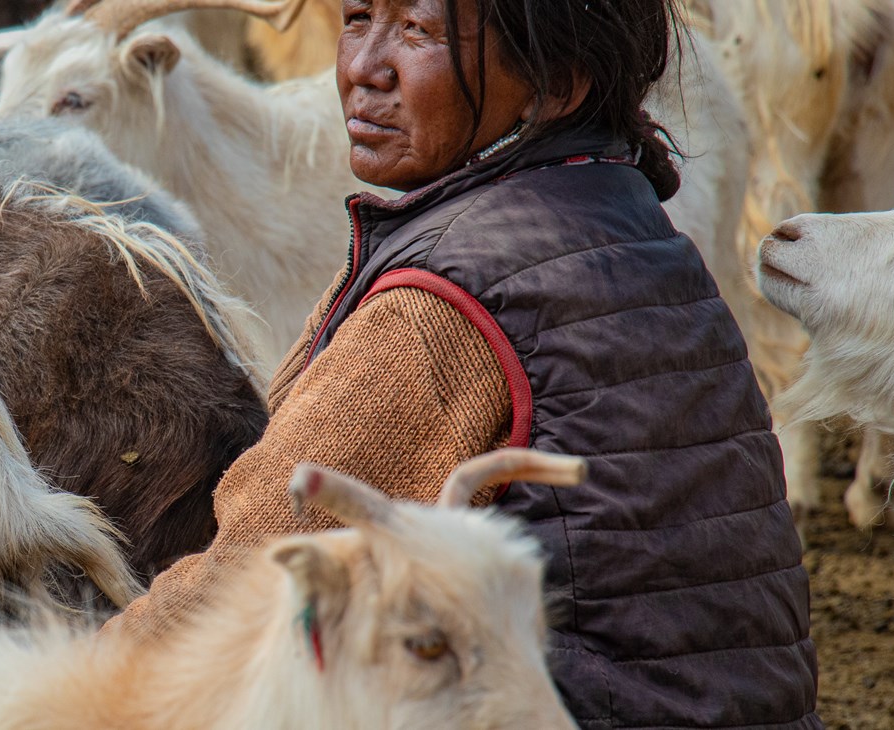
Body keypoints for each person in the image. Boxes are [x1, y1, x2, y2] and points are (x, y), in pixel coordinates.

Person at [108, 0, 819, 727]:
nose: (361, 68)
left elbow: (232, 600)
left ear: (556, 84)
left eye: (417, 31)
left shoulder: (454, 300)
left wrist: (58, 689)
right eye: (356, 18)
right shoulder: (637, 231)